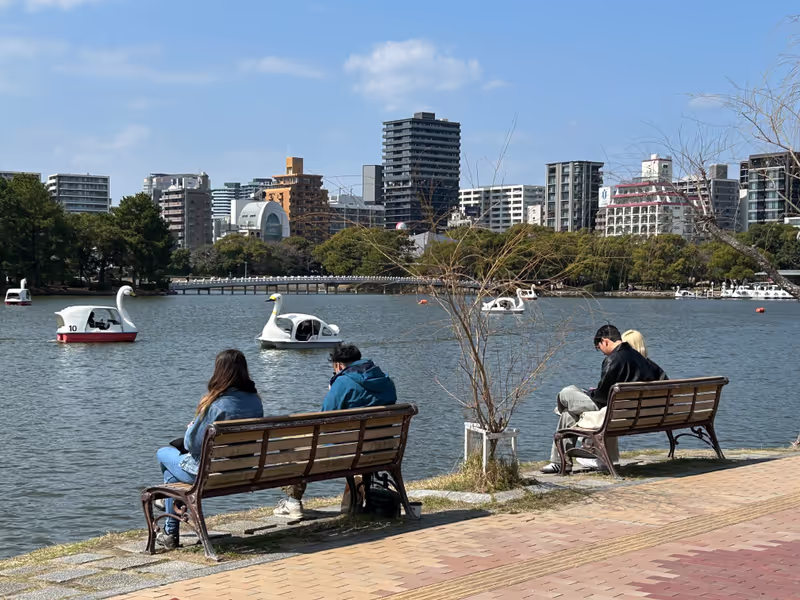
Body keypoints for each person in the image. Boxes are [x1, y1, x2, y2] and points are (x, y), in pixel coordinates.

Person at [155, 349, 263, 550]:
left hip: (210, 472)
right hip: (243, 469)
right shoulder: (255, 400)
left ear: (219, 372)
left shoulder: (216, 405)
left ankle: (171, 528)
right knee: (172, 477)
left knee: (162, 454)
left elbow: (191, 445)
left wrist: (190, 428)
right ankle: (171, 520)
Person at [274, 344, 397, 518]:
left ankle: (293, 502)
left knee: (289, 444)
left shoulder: (343, 381)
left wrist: (333, 389)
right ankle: (355, 499)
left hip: (348, 452)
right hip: (384, 448)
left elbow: (324, 421)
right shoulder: (385, 380)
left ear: (338, 365)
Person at [541, 324, 666, 474]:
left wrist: (590, 393)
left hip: (612, 412)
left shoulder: (613, 359)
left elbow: (601, 397)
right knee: (569, 414)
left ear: (605, 341)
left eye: (598, 347)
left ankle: (559, 461)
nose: (600, 351)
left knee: (566, 392)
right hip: (633, 413)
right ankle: (560, 462)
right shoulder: (640, 358)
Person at [575, 329, 667, 470]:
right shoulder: (651, 369)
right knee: (597, 409)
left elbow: (603, 397)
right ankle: (603, 459)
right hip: (654, 416)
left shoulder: (616, 361)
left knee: (570, 400)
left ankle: (594, 458)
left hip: (621, 416)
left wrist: (593, 394)